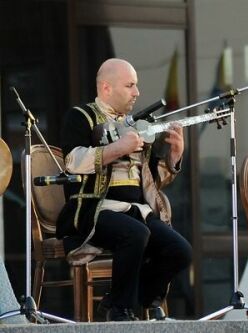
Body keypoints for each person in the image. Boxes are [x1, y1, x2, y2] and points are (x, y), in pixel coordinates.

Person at [56, 58, 192, 321]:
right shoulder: (80, 116)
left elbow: (152, 179)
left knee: (180, 250)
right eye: (130, 86)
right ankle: (121, 312)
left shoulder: (134, 124)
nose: (137, 93)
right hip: (95, 208)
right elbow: (73, 162)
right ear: (106, 88)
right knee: (136, 234)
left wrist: (175, 157)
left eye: (136, 86)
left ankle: (121, 300)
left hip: (136, 210)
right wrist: (118, 148)